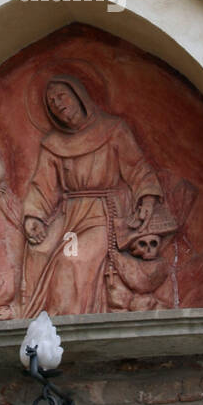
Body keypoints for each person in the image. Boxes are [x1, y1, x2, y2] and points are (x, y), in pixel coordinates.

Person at [20, 75, 163, 316]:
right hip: (69, 214)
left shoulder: (113, 130)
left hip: (105, 213)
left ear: (79, 95)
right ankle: (31, 318)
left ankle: (65, 322)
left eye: (62, 96)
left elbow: (137, 167)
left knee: (70, 259)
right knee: (38, 250)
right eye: (51, 102)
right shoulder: (53, 143)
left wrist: (147, 199)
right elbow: (42, 185)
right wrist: (33, 217)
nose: (58, 104)